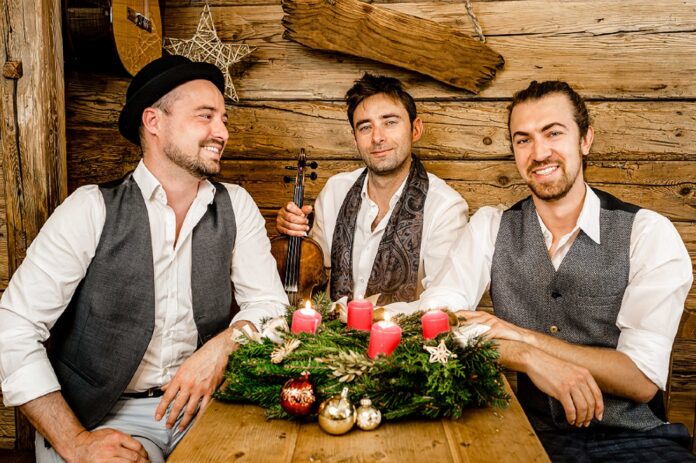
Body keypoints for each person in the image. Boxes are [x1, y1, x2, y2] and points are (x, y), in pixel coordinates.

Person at [0, 55, 288, 463]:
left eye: (224, 120)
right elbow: (12, 328)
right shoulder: (90, 209)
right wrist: (74, 441)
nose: (221, 132)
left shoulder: (235, 205)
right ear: (153, 122)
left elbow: (271, 306)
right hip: (102, 419)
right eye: (205, 116)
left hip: (205, 411)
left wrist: (223, 347)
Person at [419, 80, 695, 462]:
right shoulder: (490, 227)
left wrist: (522, 338)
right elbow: (434, 319)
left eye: (553, 133)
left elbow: (642, 379)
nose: (539, 152)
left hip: (634, 441)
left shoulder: (647, 233)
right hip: (527, 435)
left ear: (585, 139)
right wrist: (527, 358)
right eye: (523, 139)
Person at [277, 73, 468, 309]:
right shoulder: (335, 191)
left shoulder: (445, 207)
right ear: (355, 138)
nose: (377, 137)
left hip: (406, 343)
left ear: (415, 129)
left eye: (390, 122)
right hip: (327, 340)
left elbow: (442, 304)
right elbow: (313, 277)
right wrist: (292, 236)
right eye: (365, 127)